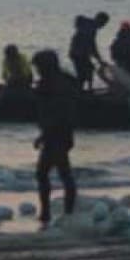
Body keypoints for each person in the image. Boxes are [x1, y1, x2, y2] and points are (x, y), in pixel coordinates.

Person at [30, 50, 78, 229]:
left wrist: (44, 134)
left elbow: (58, 113)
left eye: (38, 67)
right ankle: (56, 211)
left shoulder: (57, 86)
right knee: (56, 172)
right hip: (58, 133)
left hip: (58, 133)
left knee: (51, 172)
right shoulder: (58, 83)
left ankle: (56, 212)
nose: (37, 71)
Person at [68, 12, 109, 91]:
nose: (103, 26)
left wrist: (99, 59)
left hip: (79, 53)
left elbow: (91, 46)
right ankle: (81, 91)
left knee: (89, 70)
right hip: (79, 54)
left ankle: (86, 89)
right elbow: (92, 46)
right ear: (100, 20)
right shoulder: (91, 28)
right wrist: (99, 60)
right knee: (83, 74)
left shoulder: (90, 26)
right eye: (103, 23)